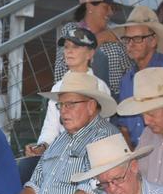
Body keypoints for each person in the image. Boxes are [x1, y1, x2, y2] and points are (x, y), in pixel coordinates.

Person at [112, 6, 163, 144]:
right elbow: (124, 126)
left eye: (137, 38)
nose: (130, 44)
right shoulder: (126, 79)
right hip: (136, 152)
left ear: (153, 40)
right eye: (127, 39)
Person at [28, 27, 110, 158]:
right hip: (59, 156)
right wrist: (41, 146)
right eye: (66, 47)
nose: (69, 51)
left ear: (90, 54)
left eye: (76, 47)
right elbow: (50, 128)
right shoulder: (57, 87)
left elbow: (101, 131)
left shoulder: (100, 87)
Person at [53, 0, 129, 94]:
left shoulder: (115, 31)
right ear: (89, 7)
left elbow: (128, 68)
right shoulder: (72, 29)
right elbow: (60, 71)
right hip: (79, 94)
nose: (111, 13)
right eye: (106, 7)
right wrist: (100, 38)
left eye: (112, 8)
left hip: (114, 100)